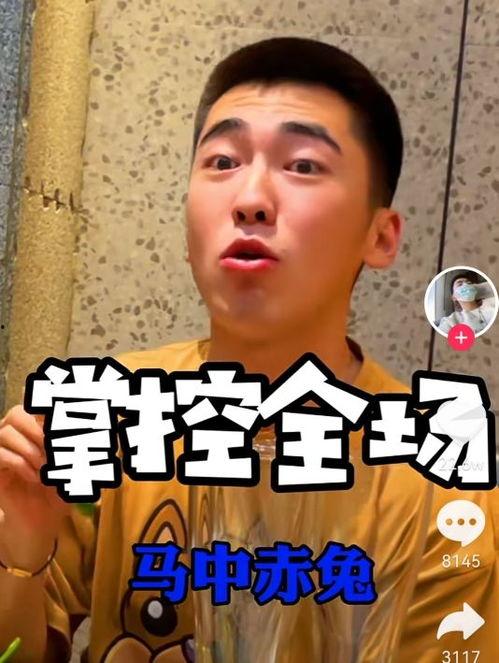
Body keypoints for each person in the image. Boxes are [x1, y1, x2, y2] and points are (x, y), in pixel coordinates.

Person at [0, 37, 497, 663]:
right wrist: (19, 550)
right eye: (223, 162)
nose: (250, 199)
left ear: (380, 236)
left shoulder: (443, 482)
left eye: (303, 165)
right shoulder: (110, 413)